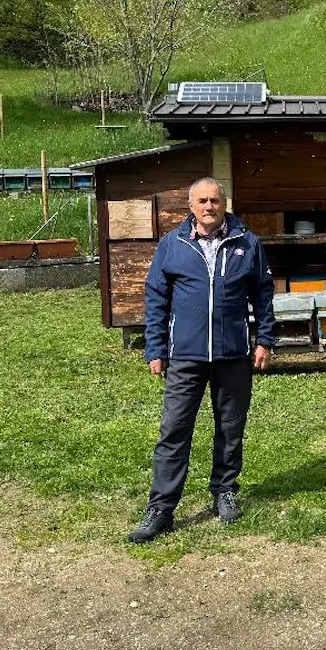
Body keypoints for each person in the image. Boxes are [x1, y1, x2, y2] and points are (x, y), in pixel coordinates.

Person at [127, 177, 276, 543]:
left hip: (233, 354)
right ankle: (161, 508)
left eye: (215, 200)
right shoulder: (172, 245)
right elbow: (156, 298)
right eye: (203, 201)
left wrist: (265, 339)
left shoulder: (247, 242)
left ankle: (225, 492)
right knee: (174, 431)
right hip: (185, 356)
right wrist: (155, 348)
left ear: (224, 204)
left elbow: (263, 293)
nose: (209, 206)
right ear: (191, 207)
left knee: (230, 427)